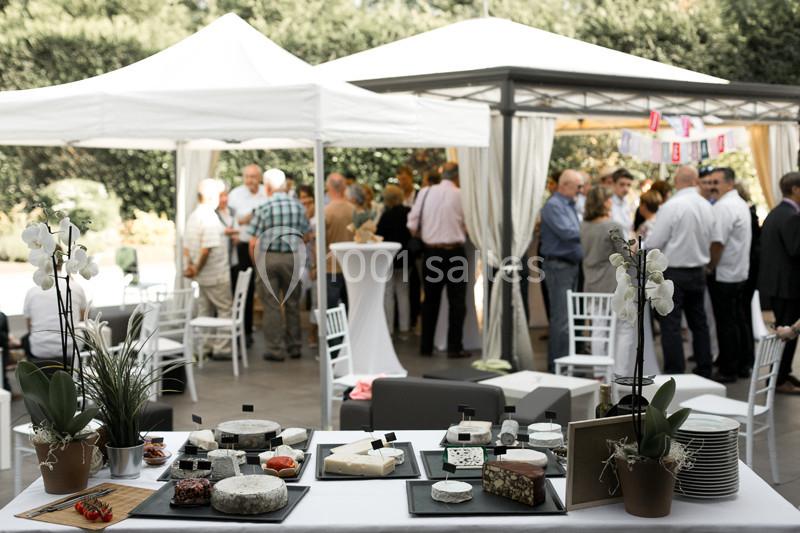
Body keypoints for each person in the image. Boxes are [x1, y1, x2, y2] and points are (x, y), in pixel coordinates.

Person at [645, 166, 716, 377]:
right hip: (698, 271)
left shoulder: (671, 206)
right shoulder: (707, 205)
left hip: (674, 272)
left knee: (671, 324)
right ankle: (705, 368)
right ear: (695, 181)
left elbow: (656, 241)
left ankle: (675, 371)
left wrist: (643, 245)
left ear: (677, 182)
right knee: (699, 323)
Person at [407, 161, 469, 358]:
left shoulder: (425, 193)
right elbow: (469, 225)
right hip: (455, 253)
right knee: (457, 302)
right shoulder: (461, 195)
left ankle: (426, 346)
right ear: (457, 177)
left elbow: (411, 224)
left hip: (432, 253)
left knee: (430, 301)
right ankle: (454, 347)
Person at [248, 168, 310, 362]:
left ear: (267, 186)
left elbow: (252, 241)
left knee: (271, 304)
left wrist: (257, 262)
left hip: (269, 258)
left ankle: (274, 349)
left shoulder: (264, 207)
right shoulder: (298, 207)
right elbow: (306, 235)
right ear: (284, 185)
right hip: (291, 258)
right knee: (292, 303)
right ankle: (294, 347)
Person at [706, 167, 752, 383]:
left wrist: (710, 266)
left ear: (730, 183)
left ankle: (728, 368)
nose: (713, 186)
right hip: (739, 271)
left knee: (726, 323)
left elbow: (717, 242)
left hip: (725, 272)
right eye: (711, 181)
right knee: (738, 319)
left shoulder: (724, 207)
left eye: (717, 182)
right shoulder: (739, 203)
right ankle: (744, 363)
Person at [758, 171, 800, 394]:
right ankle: (779, 378)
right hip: (788, 286)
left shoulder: (776, 212)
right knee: (788, 334)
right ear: (795, 189)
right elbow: (796, 250)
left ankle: (782, 373)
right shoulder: (792, 216)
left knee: (785, 332)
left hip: (776, 284)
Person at [540, 169, 583, 370]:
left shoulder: (568, 205)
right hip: (559, 267)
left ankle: (565, 364)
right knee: (561, 320)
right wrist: (592, 230)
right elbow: (569, 233)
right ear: (564, 185)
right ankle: (558, 366)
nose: (580, 190)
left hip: (569, 266)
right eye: (578, 186)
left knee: (567, 319)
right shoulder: (553, 206)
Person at [184, 178, 232, 356]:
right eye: (219, 195)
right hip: (215, 274)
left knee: (204, 311)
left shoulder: (194, 215)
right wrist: (196, 268)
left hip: (203, 277)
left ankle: (204, 348)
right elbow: (206, 249)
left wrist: (191, 267)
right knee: (225, 309)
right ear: (212, 196)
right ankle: (222, 349)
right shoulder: (209, 216)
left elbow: (187, 246)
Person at [227, 164, 268, 345]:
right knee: (243, 288)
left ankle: (262, 331)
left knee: (265, 289)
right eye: (247, 176)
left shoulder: (266, 194)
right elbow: (234, 220)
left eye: (253, 177)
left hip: (264, 247)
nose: (250, 180)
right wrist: (251, 216)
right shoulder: (235, 195)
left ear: (259, 178)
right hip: (243, 247)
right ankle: (243, 331)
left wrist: (248, 218)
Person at [23, 253, 87, 363]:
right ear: (62, 263)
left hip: (40, 349)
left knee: (25, 339)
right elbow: (82, 317)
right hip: (72, 348)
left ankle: (33, 376)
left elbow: (29, 325)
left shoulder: (32, 291)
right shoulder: (75, 287)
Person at [377, 185, 412, 336]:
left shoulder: (386, 215)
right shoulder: (408, 213)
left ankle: (389, 328)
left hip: (388, 257)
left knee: (388, 293)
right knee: (403, 293)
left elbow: (379, 235)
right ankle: (404, 327)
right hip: (405, 256)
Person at [580, 186, 624, 294]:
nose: (611, 201)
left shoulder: (582, 226)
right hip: (609, 283)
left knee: (593, 310)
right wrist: (634, 245)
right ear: (603, 202)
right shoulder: (613, 226)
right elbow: (625, 255)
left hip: (589, 281)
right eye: (609, 198)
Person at [323, 173, 355, 308]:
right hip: (353, 264)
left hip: (331, 265)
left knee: (331, 307)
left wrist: (315, 265)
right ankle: (351, 329)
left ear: (328, 187)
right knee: (350, 304)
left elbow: (321, 241)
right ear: (344, 187)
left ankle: (332, 330)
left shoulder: (325, 211)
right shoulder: (354, 210)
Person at [216, 185, 240, 291]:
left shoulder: (232, 211)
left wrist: (236, 236)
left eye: (225, 195)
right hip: (220, 258)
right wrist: (234, 232)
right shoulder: (214, 213)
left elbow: (237, 229)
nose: (224, 199)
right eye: (221, 196)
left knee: (234, 284)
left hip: (233, 256)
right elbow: (223, 231)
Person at [610, 168, 635, 236]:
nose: (626, 189)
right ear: (613, 184)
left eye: (628, 185)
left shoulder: (627, 202)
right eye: (622, 184)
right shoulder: (607, 203)